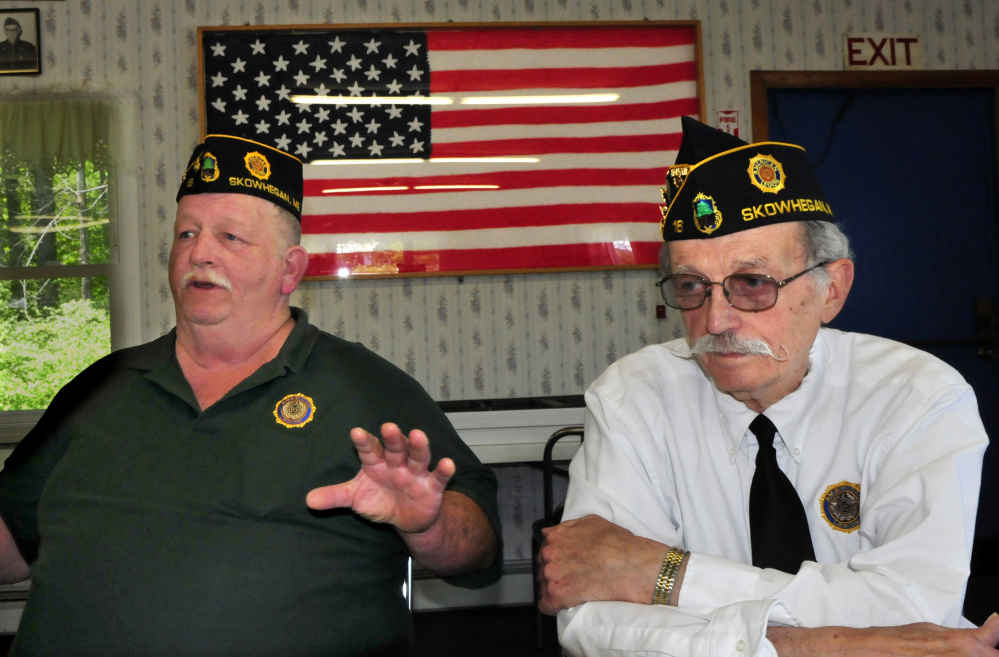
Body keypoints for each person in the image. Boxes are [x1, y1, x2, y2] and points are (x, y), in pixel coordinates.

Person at [0, 134, 501, 656]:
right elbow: (13, 542)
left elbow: (478, 548)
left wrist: (431, 525)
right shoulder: (100, 386)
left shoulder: (367, 389)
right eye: (186, 233)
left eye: (231, 237)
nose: (199, 252)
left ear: (290, 270)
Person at [537, 116, 999, 657]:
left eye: (752, 284)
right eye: (691, 286)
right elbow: (591, 620)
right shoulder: (633, 399)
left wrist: (666, 575)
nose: (714, 321)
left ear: (832, 290)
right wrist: (811, 646)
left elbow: (918, 608)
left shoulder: (916, 396)